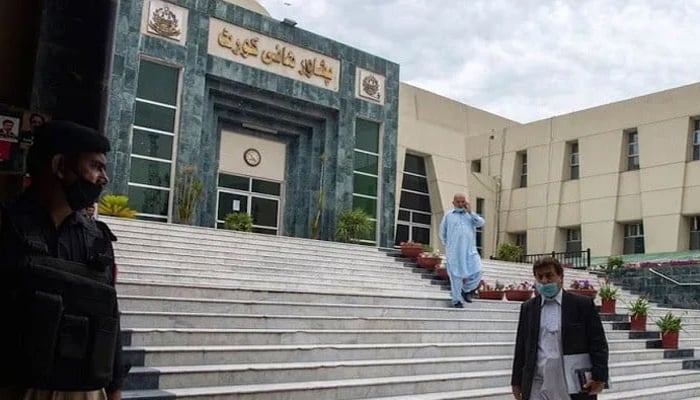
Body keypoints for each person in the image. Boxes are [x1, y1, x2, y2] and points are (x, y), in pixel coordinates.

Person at [0, 121, 127, 400]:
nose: (103, 178)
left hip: (85, 391)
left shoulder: (98, 239)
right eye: (95, 166)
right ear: (60, 166)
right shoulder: (6, 225)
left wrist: (115, 388)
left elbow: (111, 317)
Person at [511, 257, 609, 400]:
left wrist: (599, 377)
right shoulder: (528, 308)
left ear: (561, 276)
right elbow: (521, 347)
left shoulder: (582, 305)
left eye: (549, 275)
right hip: (537, 382)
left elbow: (598, 343)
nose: (544, 281)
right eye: (540, 277)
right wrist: (516, 381)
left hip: (570, 382)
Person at [439, 193, 485, 308]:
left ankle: (466, 290)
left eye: (462, 202)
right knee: (456, 276)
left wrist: (471, 212)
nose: (460, 204)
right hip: (454, 252)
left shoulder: (470, 216)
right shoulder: (448, 215)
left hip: (470, 250)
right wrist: (449, 246)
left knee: (478, 271)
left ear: (465, 202)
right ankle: (457, 300)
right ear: (453, 202)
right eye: (458, 202)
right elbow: (442, 233)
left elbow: (481, 223)